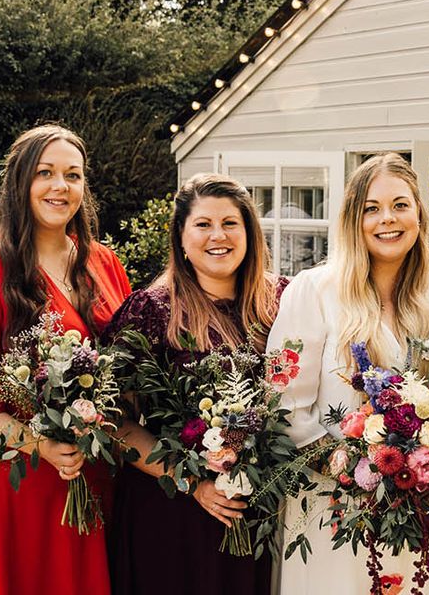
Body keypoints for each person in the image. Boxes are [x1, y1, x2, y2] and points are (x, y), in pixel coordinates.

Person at [0, 124, 131, 595]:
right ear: (20, 183)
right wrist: (39, 443)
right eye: (46, 173)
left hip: (84, 473)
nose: (61, 186)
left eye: (73, 175)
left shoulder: (103, 263)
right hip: (7, 480)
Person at [266, 153, 429, 594]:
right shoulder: (312, 291)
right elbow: (281, 402)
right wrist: (354, 472)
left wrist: (419, 463)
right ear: (353, 219)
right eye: (371, 208)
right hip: (335, 510)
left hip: (422, 510)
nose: (387, 219)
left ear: (419, 214)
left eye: (400, 205)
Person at [104, 174, 286, 595]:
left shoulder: (284, 302)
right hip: (170, 511)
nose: (217, 236)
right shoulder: (151, 310)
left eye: (230, 223)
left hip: (254, 514)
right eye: (203, 224)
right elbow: (114, 421)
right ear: (181, 239)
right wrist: (193, 483)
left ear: (250, 234)